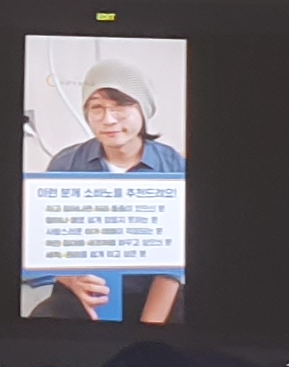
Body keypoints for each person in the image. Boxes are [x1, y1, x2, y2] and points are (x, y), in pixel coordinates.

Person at [37, 56, 184, 324]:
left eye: (120, 107)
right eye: (97, 107)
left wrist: (148, 328)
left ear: (143, 110)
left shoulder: (173, 167)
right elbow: (46, 243)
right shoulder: (66, 164)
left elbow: (174, 264)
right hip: (80, 290)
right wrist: (72, 280)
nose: (108, 119)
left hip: (153, 291)